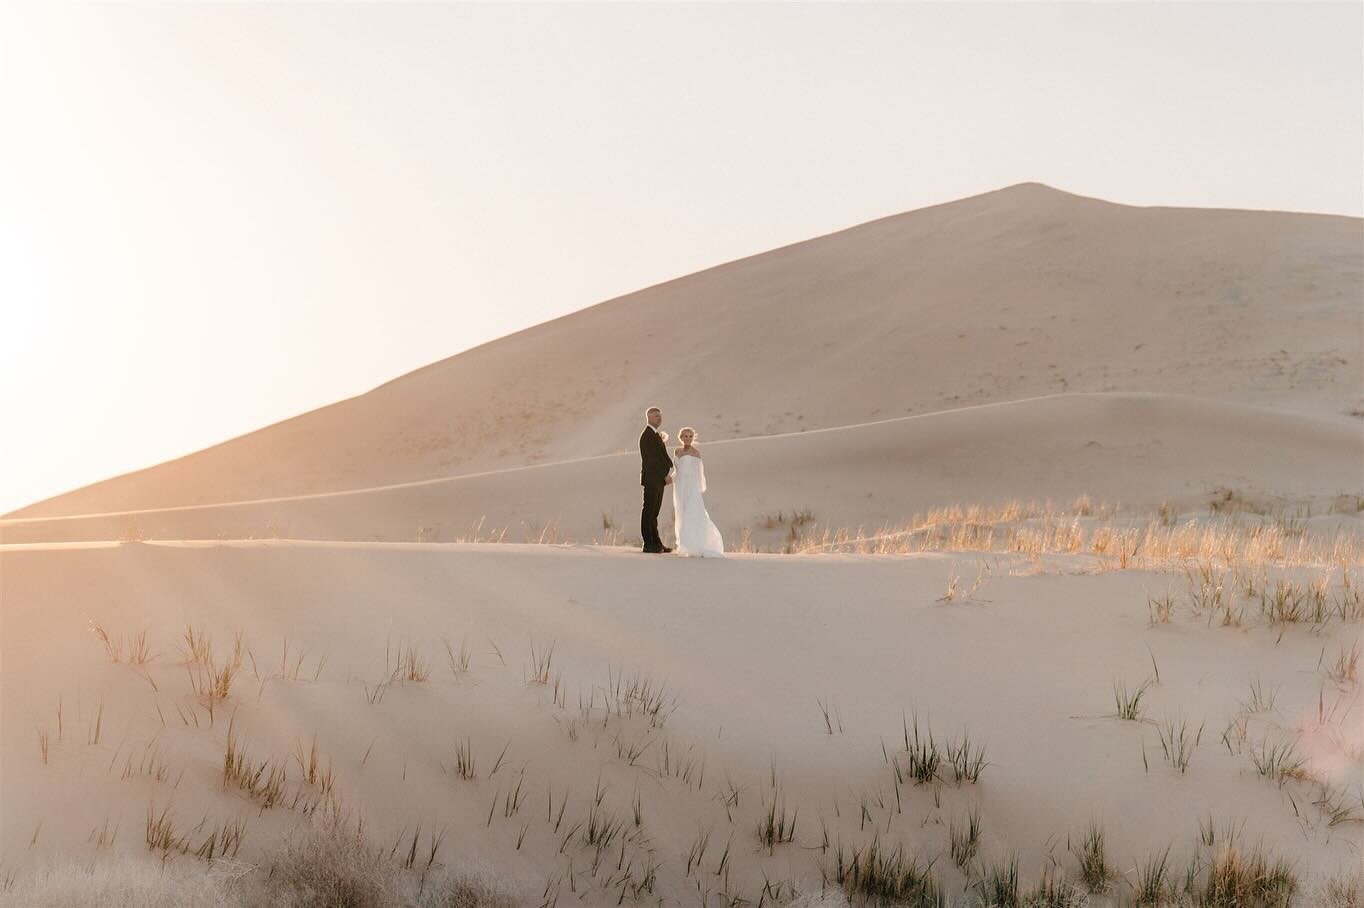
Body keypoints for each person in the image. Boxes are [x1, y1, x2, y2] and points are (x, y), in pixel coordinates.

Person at [671, 427, 725, 557]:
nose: (688, 438)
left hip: (692, 488)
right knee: (682, 514)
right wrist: (671, 478)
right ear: (681, 437)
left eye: (690, 436)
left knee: (693, 513)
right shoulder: (677, 451)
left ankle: (693, 545)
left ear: (693, 438)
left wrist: (698, 490)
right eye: (685, 436)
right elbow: (677, 470)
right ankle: (683, 544)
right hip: (679, 488)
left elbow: (699, 474)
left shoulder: (696, 453)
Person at [639, 407, 673, 553]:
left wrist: (671, 467)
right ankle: (648, 544)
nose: (659, 418)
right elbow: (652, 460)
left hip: (658, 480)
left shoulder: (655, 434)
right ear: (648, 418)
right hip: (652, 479)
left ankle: (656, 542)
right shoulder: (647, 435)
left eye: (660, 415)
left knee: (655, 513)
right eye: (655, 416)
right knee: (649, 511)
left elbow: (662, 456)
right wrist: (665, 474)